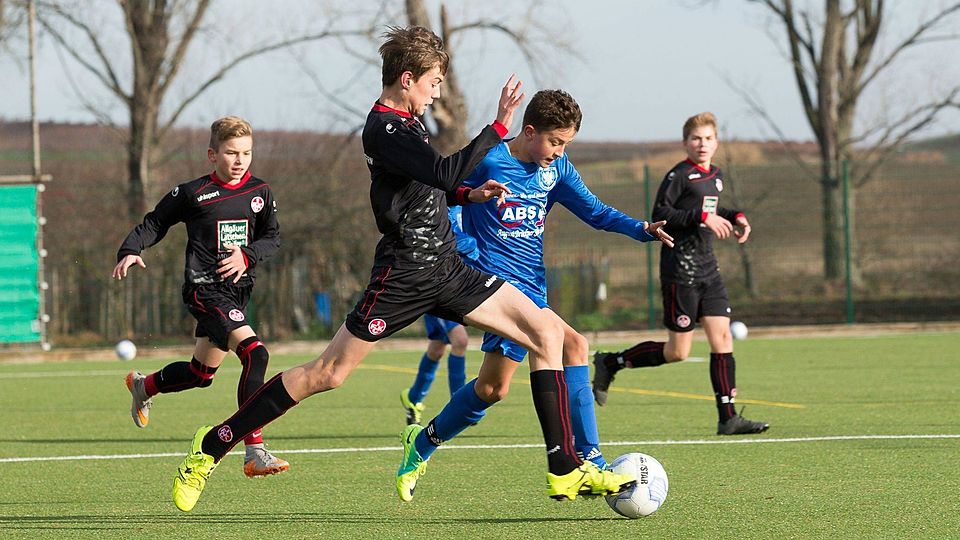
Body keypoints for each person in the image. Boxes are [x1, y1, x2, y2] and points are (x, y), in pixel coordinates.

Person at [169, 26, 633, 513]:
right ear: (407, 78)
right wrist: (497, 128)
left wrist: (466, 195)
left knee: (545, 331)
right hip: (404, 272)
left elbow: (425, 188)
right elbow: (442, 172)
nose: (437, 92)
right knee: (327, 374)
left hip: (448, 266)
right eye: (434, 82)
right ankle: (210, 447)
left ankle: (564, 470)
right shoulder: (384, 127)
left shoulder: (410, 123)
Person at [408, 89, 673, 473]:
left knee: (491, 389)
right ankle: (588, 458)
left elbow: (594, 211)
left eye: (566, 143)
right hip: (498, 290)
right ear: (529, 131)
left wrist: (642, 229)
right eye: (555, 142)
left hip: (534, 287)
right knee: (574, 345)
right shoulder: (489, 160)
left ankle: (423, 441)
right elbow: (445, 199)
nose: (560, 151)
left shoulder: (556, 170)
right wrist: (468, 251)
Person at [112, 116, 289, 478]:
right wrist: (130, 249)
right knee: (257, 354)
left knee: (200, 374)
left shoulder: (261, 192)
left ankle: (144, 386)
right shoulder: (193, 193)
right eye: (231, 153)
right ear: (213, 154)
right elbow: (155, 222)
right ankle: (254, 449)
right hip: (204, 289)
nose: (240, 160)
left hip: (237, 292)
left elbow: (272, 238)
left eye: (246, 153)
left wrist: (247, 255)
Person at [591, 111, 770, 436]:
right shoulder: (679, 175)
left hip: (708, 270)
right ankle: (610, 362)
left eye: (708, 138)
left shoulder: (715, 175)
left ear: (716, 142)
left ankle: (728, 417)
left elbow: (713, 211)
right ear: (685, 142)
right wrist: (702, 216)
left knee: (723, 338)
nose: (702, 144)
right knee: (678, 352)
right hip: (680, 270)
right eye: (696, 138)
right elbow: (662, 213)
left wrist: (737, 215)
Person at [401, 207, 477, 425]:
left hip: (461, 282)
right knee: (460, 340)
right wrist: (473, 244)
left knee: (437, 348)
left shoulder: (471, 200)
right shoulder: (440, 203)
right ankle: (460, 402)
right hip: (439, 283)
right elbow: (447, 241)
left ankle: (413, 398)